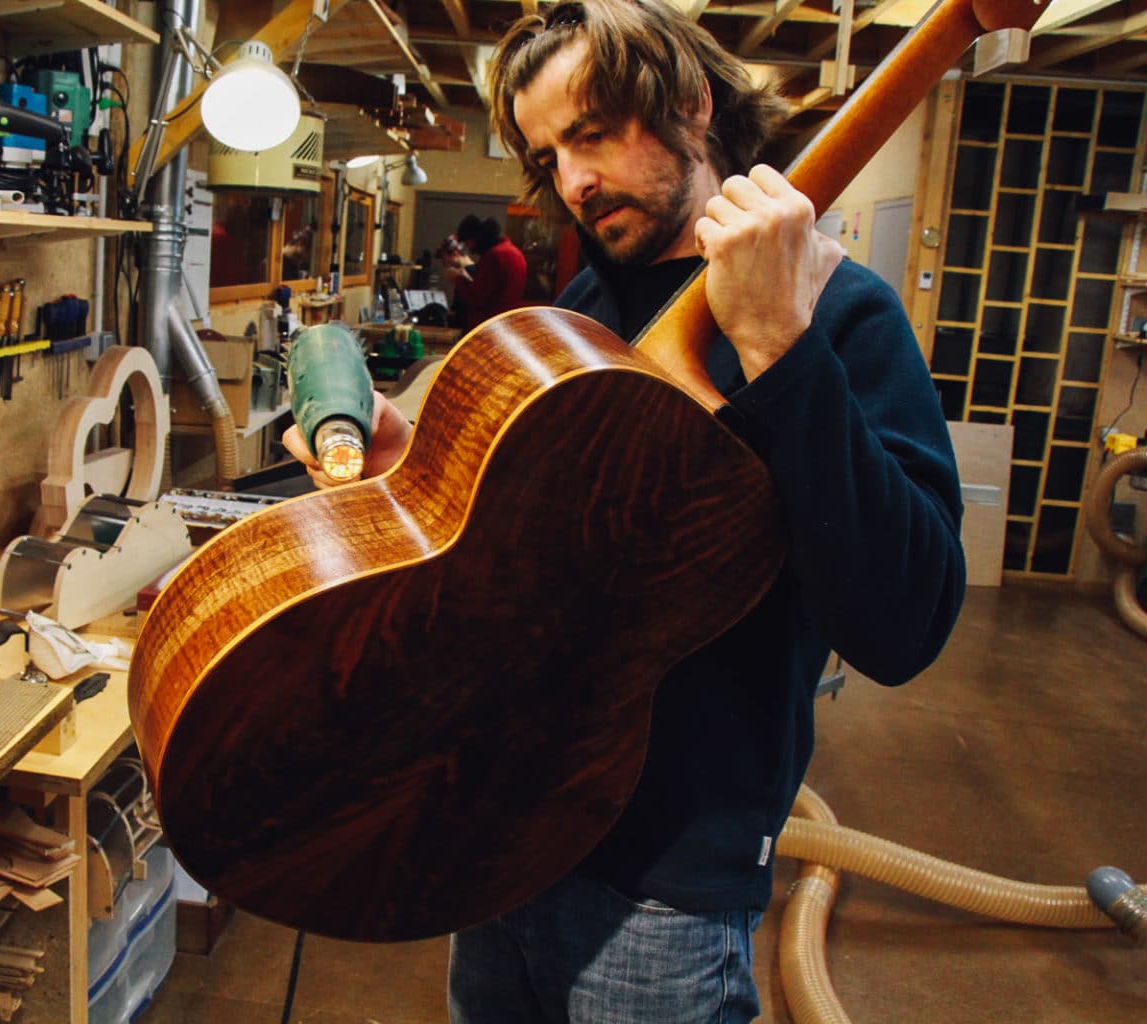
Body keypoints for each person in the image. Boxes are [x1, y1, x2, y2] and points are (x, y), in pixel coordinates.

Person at [284, 1, 965, 1020]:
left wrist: (782, 345)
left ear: (690, 103)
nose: (572, 181)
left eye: (594, 133)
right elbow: (537, 555)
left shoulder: (836, 309)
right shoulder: (584, 314)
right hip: (505, 834)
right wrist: (418, 474)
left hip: (667, 885)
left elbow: (907, 620)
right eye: (549, 152)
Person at [443, 214, 529, 330]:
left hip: (489, 326)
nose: (469, 247)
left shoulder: (495, 256)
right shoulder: (515, 253)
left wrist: (457, 279)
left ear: (476, 238)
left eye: (468, 242)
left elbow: (476, 297)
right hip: (507, 324)